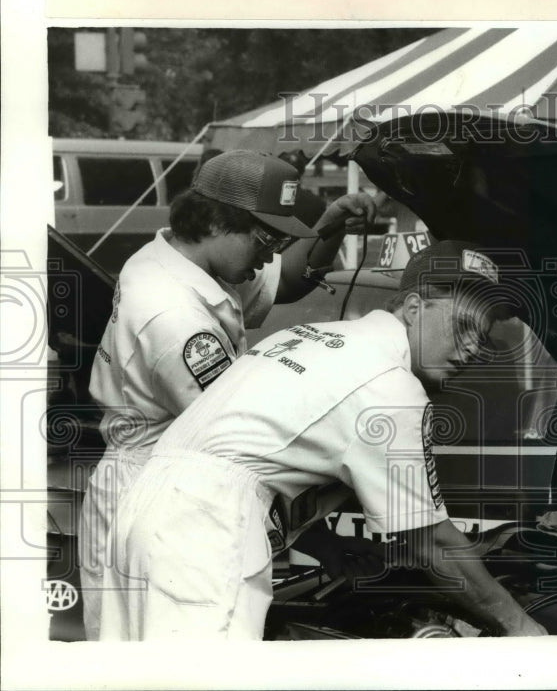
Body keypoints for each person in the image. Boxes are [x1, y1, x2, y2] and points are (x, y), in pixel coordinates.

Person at [99, 241, 547, 639]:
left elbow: (237, 458)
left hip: (143, 508)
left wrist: (326, 546)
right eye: (463, 326)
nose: (472, 348)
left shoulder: (311, 338)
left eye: (483, 336)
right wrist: (522, 626)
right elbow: (431, 543)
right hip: (202, 536)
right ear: (414, 308)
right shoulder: (389, 386)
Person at [79, 149, 376, 640]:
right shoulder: (173, 315)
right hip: (158, 498)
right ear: (216, 221)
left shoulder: (181, 258)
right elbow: (243, 445)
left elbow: (290, 282)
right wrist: (324, 537)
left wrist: (330, 225)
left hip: (176, 483)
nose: (271, 252)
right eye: (266, 238)